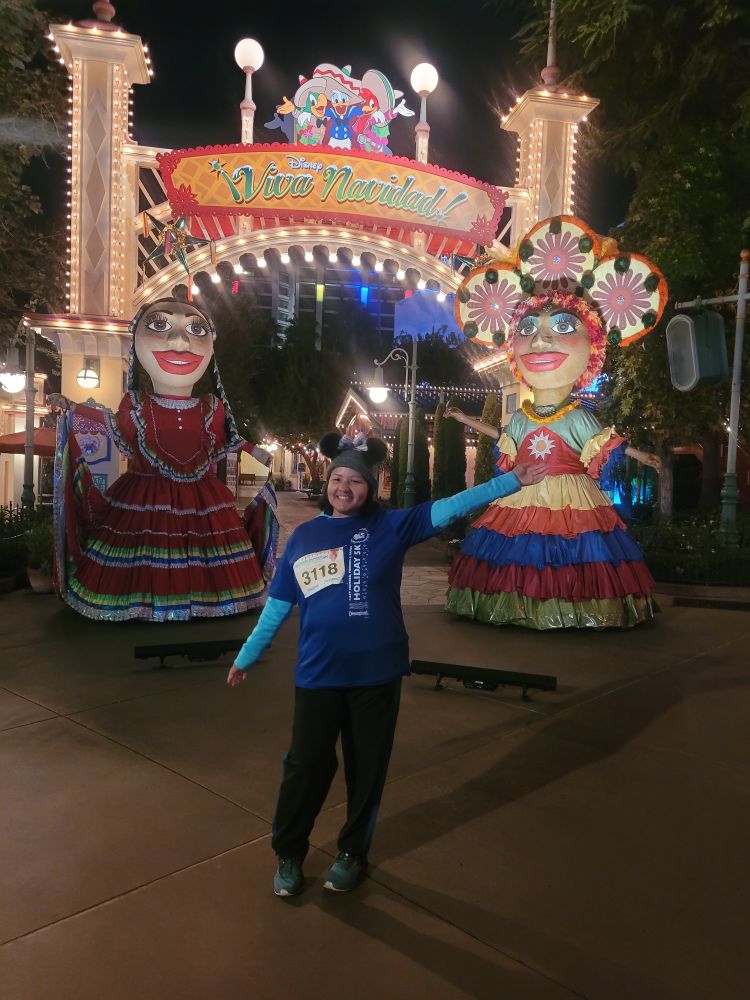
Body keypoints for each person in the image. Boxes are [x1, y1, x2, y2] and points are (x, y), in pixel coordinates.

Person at [227, 430, 547, 896]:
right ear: (327, 480)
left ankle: (353, 852)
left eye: (355, 480)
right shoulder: (305, 538)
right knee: (305, 766)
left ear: (370, 487)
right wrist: (246, 657)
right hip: (319, 674)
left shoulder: (393, 527)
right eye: (337, 478)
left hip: (377, 674)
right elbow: (277, 607)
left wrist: (510, 480)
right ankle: (289, 853)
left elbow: (453, 505)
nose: (344, 487)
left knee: (367, 768)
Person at [445, 214, 668, 630]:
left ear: (593, 347)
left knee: (572, 551)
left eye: (563, 327)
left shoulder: (579, 416)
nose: (541, 340)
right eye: (529, 328)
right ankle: (516, 607)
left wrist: (641, 454)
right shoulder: (524, 416)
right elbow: (504, 436)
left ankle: (571, 611)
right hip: (524, 488)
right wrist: (467, 419)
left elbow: (602, 443)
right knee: (520, 552)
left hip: (571, 495)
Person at [48, 297, 278, 622]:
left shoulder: (212, 407)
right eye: (159, 325)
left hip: (204, 499)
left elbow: (228, 449)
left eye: (196, 329)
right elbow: (111, 430)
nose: (180, 341)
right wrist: (73, 410)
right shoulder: (136, 404)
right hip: (145, 496)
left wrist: (258, 459)